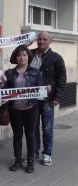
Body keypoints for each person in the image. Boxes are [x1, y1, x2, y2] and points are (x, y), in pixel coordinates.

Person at [0, 45, 49, 173]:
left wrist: (46, 89)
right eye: (19, 55)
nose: (22, 57)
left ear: (28, 57)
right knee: (17, 136)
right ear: (16, 57)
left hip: (31, 108)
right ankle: (18, 160)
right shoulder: (9, 73)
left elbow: (40, 90)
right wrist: (1, 83)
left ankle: (30, 161)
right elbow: (3, 92)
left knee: (30, 134)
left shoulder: (36, 72)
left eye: (24, 55)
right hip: (15, 108)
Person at [30, 31, 66, 165]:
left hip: (48, 98)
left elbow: (62, 79)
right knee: (33, 127)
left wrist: (57, 97)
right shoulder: (30, 54)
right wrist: (26, 44)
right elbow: (13, 59)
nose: (41, 42)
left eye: (45, 39)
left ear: (50, 41)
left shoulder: (56, 58)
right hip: (32, 98)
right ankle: (34, 151)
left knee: (47, 127)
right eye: (39, 39)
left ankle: (47, 153)